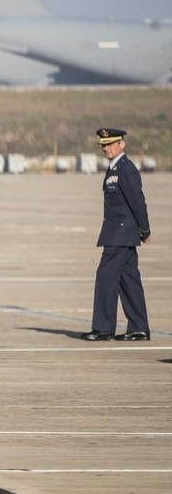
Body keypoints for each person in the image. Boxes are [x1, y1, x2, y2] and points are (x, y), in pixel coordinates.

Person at [82, 127, 151, 341]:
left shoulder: (126, 169)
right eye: (104, 145)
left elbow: (137, 201)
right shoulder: (114, 169)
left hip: (121, 233)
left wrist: (144, 229)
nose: (106, 148)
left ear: (122, 144)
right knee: (128, 281)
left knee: (105, 277)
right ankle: (139, 328)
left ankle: (103, 328)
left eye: (110, 144)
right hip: (117, 232)